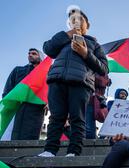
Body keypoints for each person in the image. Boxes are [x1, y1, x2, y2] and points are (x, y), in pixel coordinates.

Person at [39, 8, 108, 157]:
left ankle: (74, 151)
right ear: (69, 24)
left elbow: (103, 68)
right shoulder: (63, 39)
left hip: (81, 84)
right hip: (57, 81)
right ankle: (50, 150)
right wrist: (68, 34)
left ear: (87, 25)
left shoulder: (94, 44)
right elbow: (48, 48)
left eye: (80, 19)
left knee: (78, 118)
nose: (76, 22)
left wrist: (85, 53)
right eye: (73, 20)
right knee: (56, 117)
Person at [2, 49, 46, 140]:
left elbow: (49, 90)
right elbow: (8, 88)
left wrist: (49, 102)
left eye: (34, 53)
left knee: (31, 136)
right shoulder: (18, 70)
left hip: (36, 109)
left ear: (41, 57)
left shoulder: (46, 73)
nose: (30, 55)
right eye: (29, 53)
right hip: (17, 108)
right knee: (12, 135)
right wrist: (7, 102)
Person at [86, 74, 111, 139]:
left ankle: (91, 142)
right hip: (90, 100)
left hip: (97, 100)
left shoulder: (104, 73)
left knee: (90, 125)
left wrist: (107, 81)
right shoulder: (93, 69)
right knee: (89, 125)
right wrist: (106, 81)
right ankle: (89, 143)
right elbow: (96, 80)